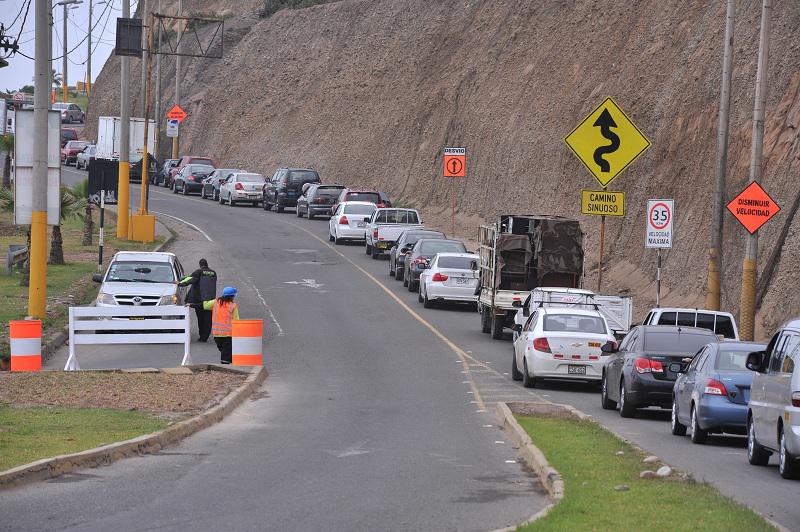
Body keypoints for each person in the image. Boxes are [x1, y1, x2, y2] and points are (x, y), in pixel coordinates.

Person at [189, 286, 239, 364]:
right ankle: (226, 367)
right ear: (232, 296)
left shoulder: (216, 302)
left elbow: (204, 306)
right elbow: (236, 320)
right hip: (228, 334)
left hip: (217, 334)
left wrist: (192, 304)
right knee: (226, 354)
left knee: (224, 351)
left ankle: (231, 362)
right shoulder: (233, 306)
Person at [179, 259, 217, 342]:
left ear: (200, 265)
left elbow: (190, 279)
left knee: (201, 318)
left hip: (199, 299)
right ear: (207, 264)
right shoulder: (213, 273)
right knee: (208, 319)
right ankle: (206, 336)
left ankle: (202, 336)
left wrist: (179, 283)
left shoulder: (199, 272)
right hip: (210, 299)